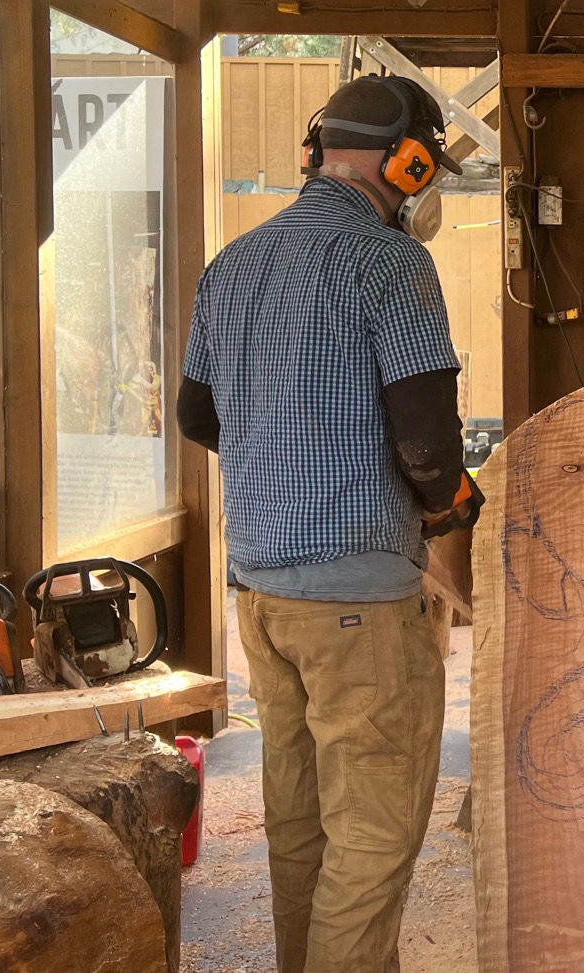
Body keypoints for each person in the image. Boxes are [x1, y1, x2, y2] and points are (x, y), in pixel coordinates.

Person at [178, 74, 472, 973]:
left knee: (301, 826)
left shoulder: (232, 265)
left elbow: (198, 417)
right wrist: (452, 508)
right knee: (373, 841)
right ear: (408, 162)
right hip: (361, 604)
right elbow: (427, 445)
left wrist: (284, 444)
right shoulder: (391, 264)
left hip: (261, 600)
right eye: (424, 171)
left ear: (316, 152)